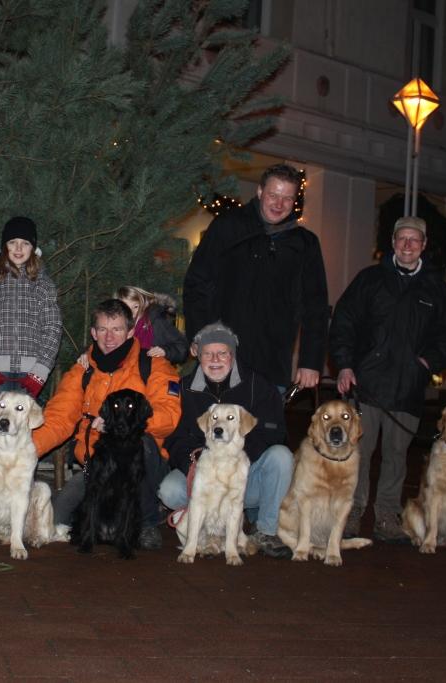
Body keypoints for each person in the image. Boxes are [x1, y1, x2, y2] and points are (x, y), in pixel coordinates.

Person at [329, 216, 446, 542]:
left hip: (407, 389)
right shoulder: (369, 280)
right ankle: (351, 513)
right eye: (402, 238)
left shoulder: (436, 289)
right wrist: (344, 366)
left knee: (396, 458)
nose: (407, 245)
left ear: (423, 245)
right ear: (392, 242)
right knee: (355, 454)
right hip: (364, 386)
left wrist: (427, 362)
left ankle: (387, 517)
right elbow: (343, 322)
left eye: (414, 240)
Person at [31, 299, 181, 550]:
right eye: (102, 329)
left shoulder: (154, 366)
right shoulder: (83, 371)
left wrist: (119, 423)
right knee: (56, 519)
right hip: (98, 464)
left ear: (130, 332)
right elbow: (59, 418)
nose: (109, 337)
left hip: (143, 466)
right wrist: (27, 449)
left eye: (117, 329)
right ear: (93, 332)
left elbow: (169, 416)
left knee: (139, 442)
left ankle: (146, 523)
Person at [183, 163, 329, 392]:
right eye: (273, 195)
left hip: (273, 363)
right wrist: (200, 337)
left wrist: (310, 361)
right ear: (260, 192)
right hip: (221, 357)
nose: (279, 204)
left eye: (287, 198)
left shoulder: (305, 244)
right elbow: (197, 284)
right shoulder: (228, 226)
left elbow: (315, 306)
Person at [158, 322, 294, 558]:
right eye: (207, 353)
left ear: (233, 354)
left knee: (282, 457)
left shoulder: (258, 385)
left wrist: (239, 457)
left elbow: (274, 432)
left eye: (222, 353)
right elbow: (173, 436)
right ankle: (202, 526)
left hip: (244, 476)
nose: (215, 360)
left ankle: (266, 531)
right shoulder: (184, 388)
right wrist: (192, 460)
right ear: (197, 354)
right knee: (169, 491)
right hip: (204, 474)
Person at [0, 216, 62, 441]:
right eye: (13, 242)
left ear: (34, 248)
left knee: (23, 439)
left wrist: (40, 371)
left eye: (25, 243)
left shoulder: (43, 284)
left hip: (30, 374)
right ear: (4, 247)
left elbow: (53, 328)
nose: (18, 249)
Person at [115, 285, 188, 366]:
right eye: (126, 308)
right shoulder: (116, 326)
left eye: (135, 306)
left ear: (143, 304)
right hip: (128, 370)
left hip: (156, 368)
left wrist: (165, 351)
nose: (132, 312)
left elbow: (183, 348)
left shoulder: (156, 322)